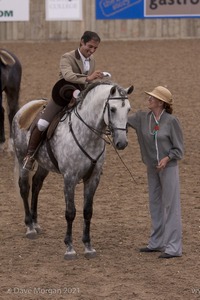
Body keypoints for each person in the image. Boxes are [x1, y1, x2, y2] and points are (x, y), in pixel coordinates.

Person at [23, 31, 104, 170]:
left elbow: (87, 84)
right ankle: (29, 155)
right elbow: (68, 75)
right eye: (89, 46)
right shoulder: (67, 57)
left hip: (80, 97)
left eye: (95, 48)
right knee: (42, 124)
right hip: (62, 94)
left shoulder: (92, 60)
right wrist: (88, 78)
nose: (92, 51)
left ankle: (92, 159)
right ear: (81, 42)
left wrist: (95, 82)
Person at [128, 86, 184, 259]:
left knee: (171, 205)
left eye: (152, 98)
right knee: (155, 203)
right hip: (152, 168)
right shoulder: (141, 118)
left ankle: (174, 248)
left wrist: (167, 158)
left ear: (161, 102)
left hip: (168, 168)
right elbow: (119, 118)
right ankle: (157, 243)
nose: (149, 99)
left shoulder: (171, 121)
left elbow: (179, 149)